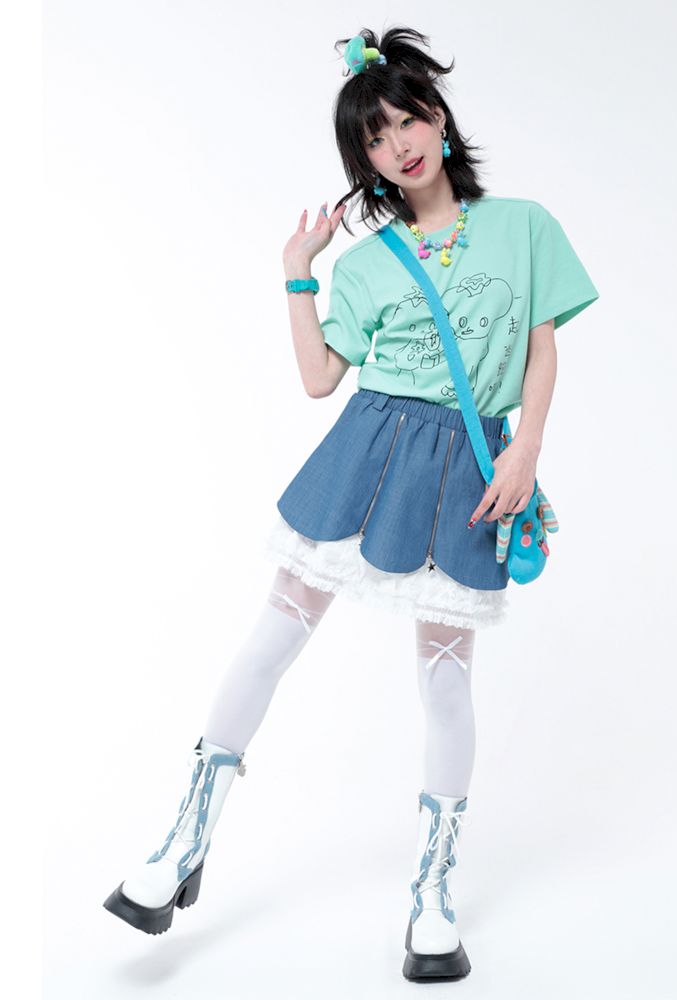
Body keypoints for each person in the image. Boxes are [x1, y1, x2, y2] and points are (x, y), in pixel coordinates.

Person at [103, 25, 600, 983]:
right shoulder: (366, 264)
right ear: (362, 161)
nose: (397, 145)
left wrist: (527, 448)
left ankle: (433, 894)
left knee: (445, 679)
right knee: (273, 636)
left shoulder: (525, 225)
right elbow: (319, 377)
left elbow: (542, 343)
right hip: (366, 451)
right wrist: (300, 268)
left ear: (439, 118)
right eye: (374, 138)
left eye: (407, 120)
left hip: (468, 465)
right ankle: (182, 845)